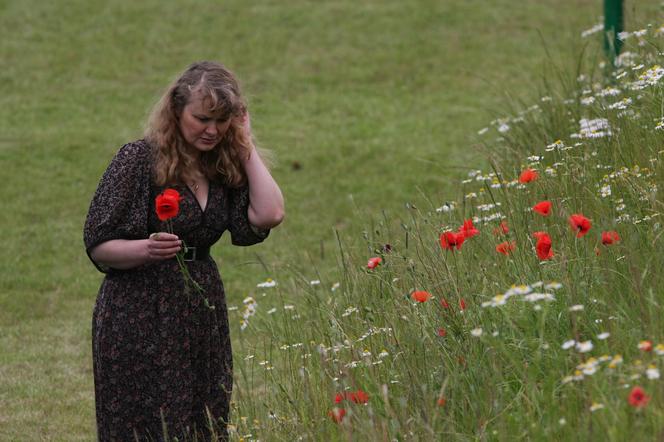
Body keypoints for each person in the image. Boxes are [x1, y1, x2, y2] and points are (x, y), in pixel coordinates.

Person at [83, 61, 284, 441]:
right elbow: (99, 244)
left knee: (204, 417)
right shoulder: (137, 160)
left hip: (199, 307)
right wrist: (146, 248)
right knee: (145, 423)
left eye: (222, 120)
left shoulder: (222, 164)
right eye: (202, 119)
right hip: (138, 312)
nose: (212, 130)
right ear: (177, 111)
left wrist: (245, 144)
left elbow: (270, 213)